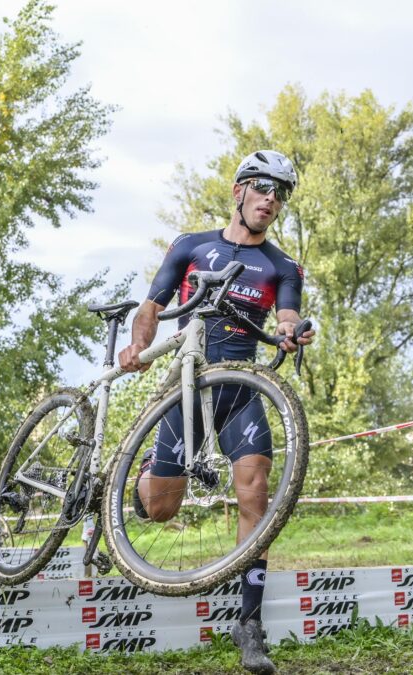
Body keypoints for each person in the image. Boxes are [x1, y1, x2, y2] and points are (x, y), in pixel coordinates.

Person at [119, 150, 314, 675]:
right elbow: (152, 305)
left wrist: (292, 330)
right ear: (239, 192)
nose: (271, 201)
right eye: (263, 189)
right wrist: (138, 346)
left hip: (241, 385)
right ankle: (125, 487)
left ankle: (248, 622)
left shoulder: (281, 265)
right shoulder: (191, 246)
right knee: (162, 509)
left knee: (255, 491)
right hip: (186, 384)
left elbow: (288, 313)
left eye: (280, 194)